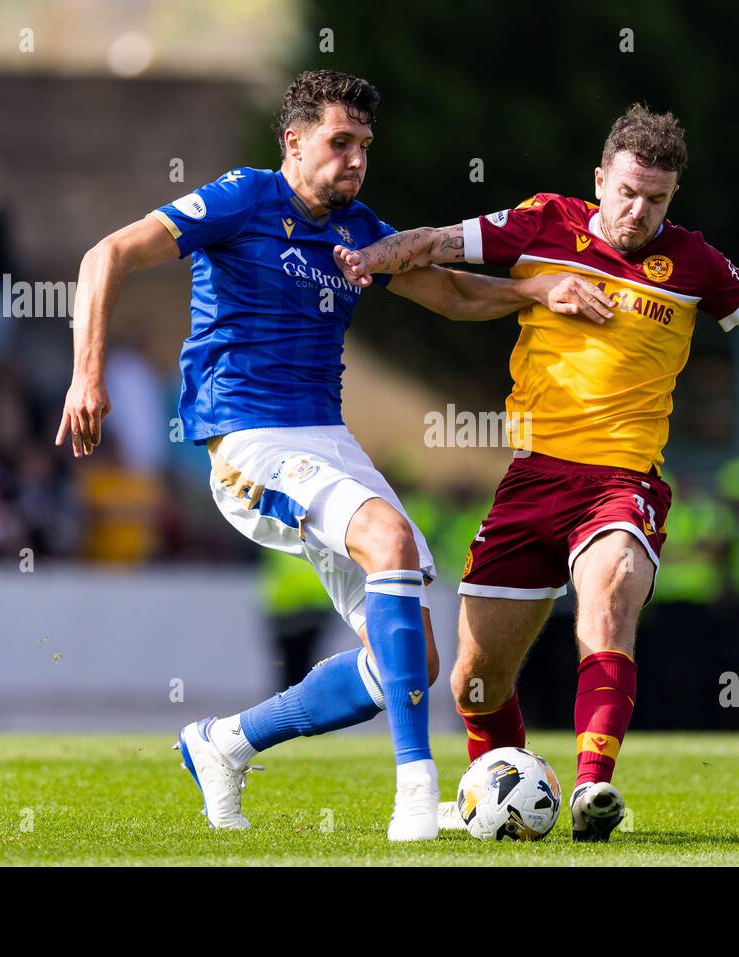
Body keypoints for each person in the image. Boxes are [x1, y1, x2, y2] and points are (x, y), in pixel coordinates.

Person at [56, 70, 602, 840]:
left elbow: (449, 292)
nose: (354, 160)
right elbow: (105, 254)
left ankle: (225, 743)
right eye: (339, 142)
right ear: (294, 141)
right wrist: (88, 375)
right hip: (248, 438)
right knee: (391, 539)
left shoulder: (358, 231)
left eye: (364, 146)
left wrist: (538, 291)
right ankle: (418, 794)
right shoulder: (243, 198)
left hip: (326, 440)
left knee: (405, 659)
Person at [335, 103, 739, 841]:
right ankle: (498, 794)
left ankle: (593, 788)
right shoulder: (542, 224)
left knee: (611, 596)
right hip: (533, 479)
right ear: (600, 179)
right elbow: (437, 244)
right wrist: (366, 259)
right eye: (627, 191)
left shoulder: (693, 262)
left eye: (657, 199)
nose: (638, 211)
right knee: (475, 683)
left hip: (621, 481)